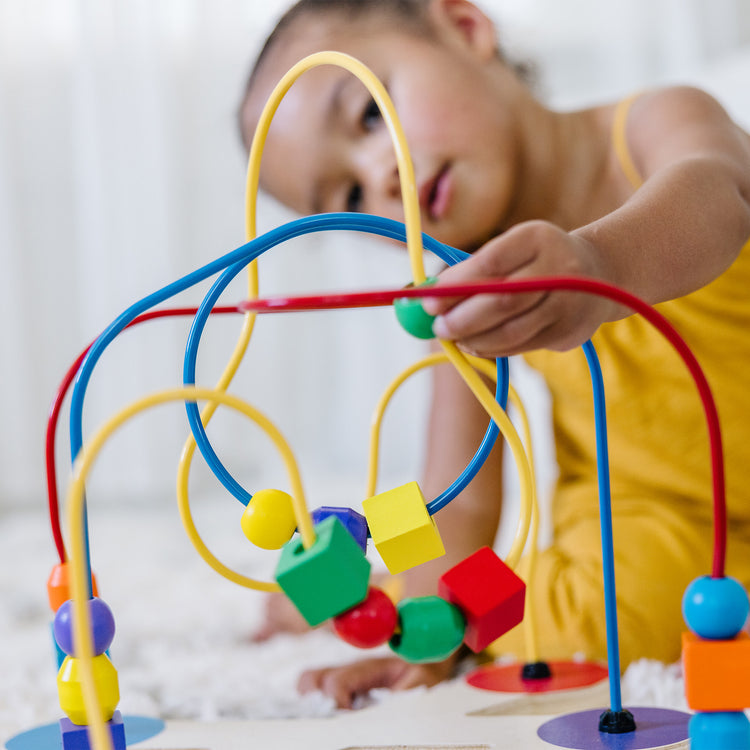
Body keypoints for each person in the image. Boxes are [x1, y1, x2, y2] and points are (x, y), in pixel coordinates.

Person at [238, 0, 750, 709]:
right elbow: (457, 496)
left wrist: (599, 265)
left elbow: (719, 197)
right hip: (646, 516)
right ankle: (390, 600)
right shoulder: (460, 291)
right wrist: (424, 633)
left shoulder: (653, 125)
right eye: (350, 192)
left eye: (366, 115)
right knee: (589, 617)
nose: (379, 174)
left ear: (465, 27)